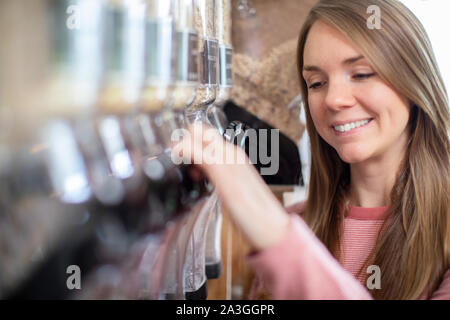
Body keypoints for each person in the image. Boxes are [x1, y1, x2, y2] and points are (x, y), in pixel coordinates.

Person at [176, 0, 450, 299]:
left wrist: (271, 226)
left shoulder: (281, 234)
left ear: (413, 80)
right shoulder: (300, 224)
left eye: (361, 74)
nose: (333, 99)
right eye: (317, 83)